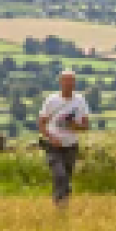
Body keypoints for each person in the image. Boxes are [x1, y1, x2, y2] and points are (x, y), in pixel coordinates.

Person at [37, 70, 93, 209]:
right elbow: (41, 123)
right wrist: (51, 137)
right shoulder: (51, 100)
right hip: (53, 146)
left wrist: (76, 126)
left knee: (66, 179)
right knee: (60, 175)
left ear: (75, 83)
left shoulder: (80, 100)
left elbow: (86, 126)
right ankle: (59, 206)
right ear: (60, 82)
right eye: (66, 81)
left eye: (71, 81)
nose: (69, 84)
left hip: (71, 146)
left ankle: (64, 206)